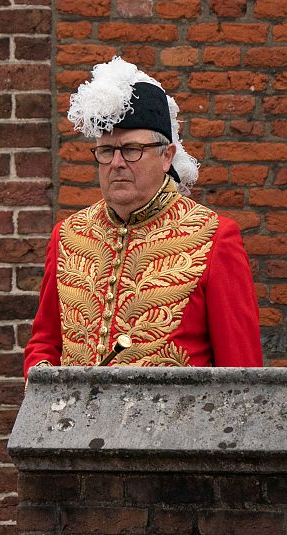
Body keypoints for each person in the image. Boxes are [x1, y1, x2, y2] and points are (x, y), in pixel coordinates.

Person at [24, 57, 262, 376]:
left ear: (166, 156)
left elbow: (241, 372)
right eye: (107, 150)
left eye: (132, 149)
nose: (117, 163)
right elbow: (46, 343)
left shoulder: (214, 237)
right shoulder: (68, 236)